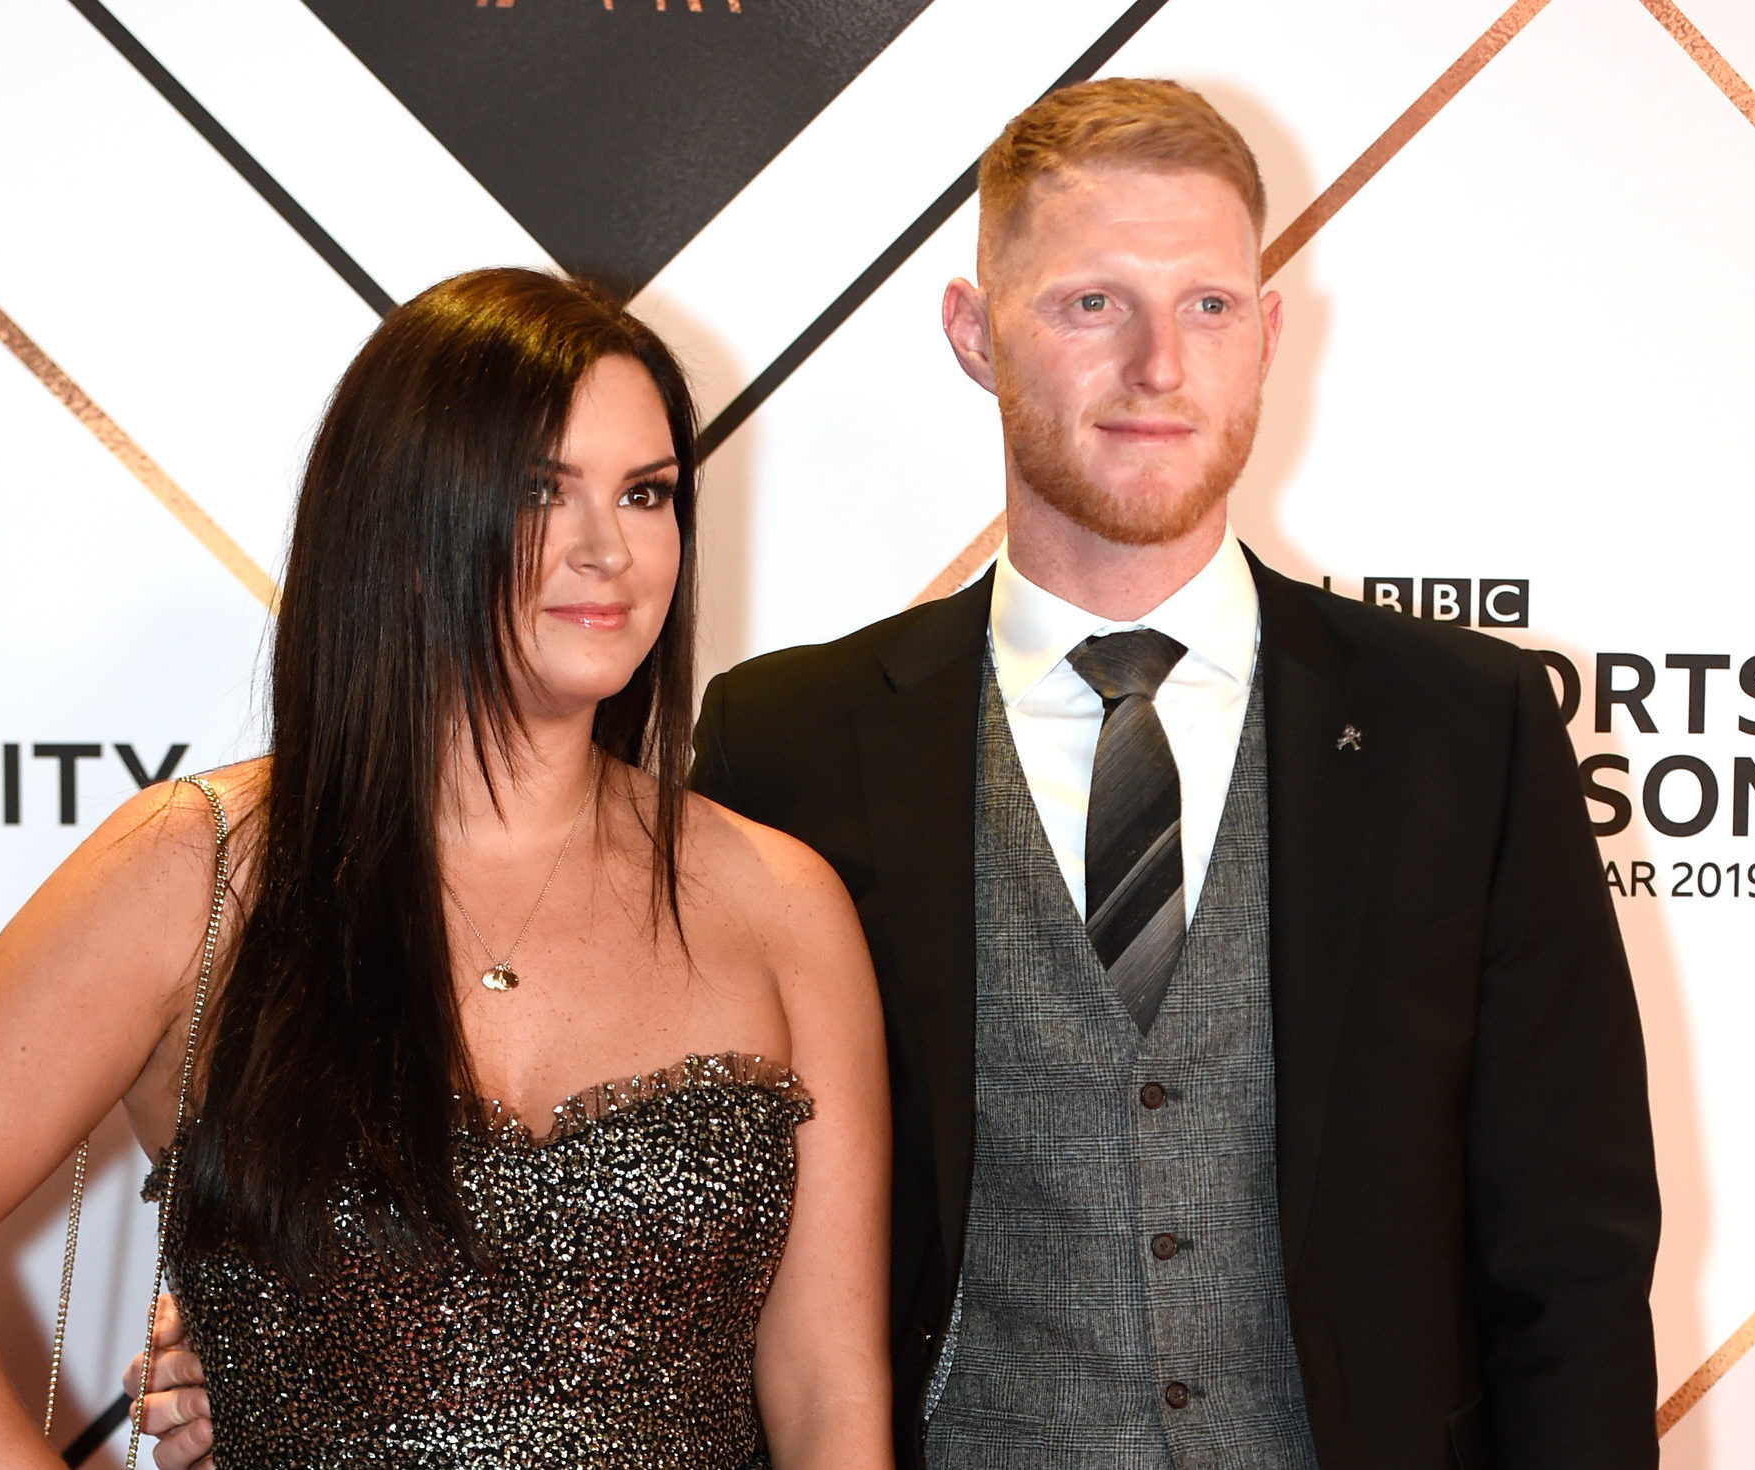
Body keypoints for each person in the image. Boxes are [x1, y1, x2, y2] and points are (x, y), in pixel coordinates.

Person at [141, 79, 1662, 1470]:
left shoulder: (1467, 725)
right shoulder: (789, 741)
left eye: (1206, 303)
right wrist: (313, 1334)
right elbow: (643, 1207)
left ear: (1268, 333)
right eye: (1091, 303)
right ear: (972, 332)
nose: (1157, 363)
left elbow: (1573, 1263)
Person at [0, 269, 894, 1470]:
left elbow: (829, 1401)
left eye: (646, 493)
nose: (609, 549)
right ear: (404, 523)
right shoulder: (203, 869)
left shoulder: (780, 906)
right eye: (542, 492)